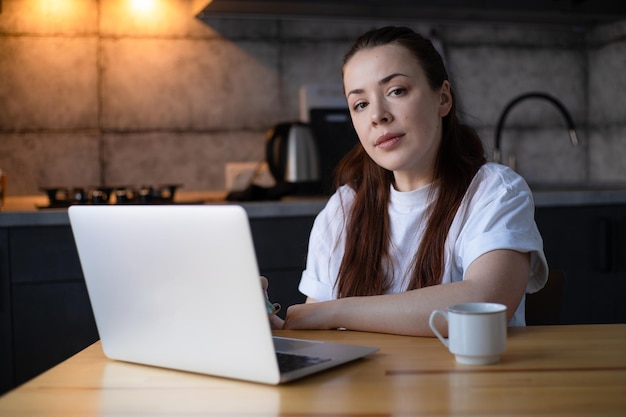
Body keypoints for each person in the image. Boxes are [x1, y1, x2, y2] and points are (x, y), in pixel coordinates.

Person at [264, 26, 548, 336]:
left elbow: (486, 302)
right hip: (363, 385)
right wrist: (275, 326)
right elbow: (315, 326)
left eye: (396, 91)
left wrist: (336, 310)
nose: (378, 116)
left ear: (442, 98)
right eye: (361, 104)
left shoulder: (494, 191)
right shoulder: (343, 209)